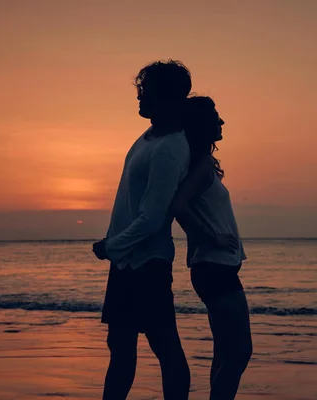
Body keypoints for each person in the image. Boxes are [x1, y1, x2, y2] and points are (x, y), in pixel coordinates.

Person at [92, 60, 192, 400]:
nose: (139, 98)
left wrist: (111, 246)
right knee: (120, 346)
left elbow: (152, 218)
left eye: (145, 92)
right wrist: (116, 249)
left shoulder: (168, 149)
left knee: (164, 346)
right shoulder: (150, 136)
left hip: (147, 263)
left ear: (166, 97)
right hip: (127, 262)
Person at [171, 96, 253, 400]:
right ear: (203, 125)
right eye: (216, 118)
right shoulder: (202, 165)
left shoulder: (200, 163)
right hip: (215, 269)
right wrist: (211, 238)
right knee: (240, 351)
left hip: (213, 269)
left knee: (224, 351)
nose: (222, 122)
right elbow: (179, 206)